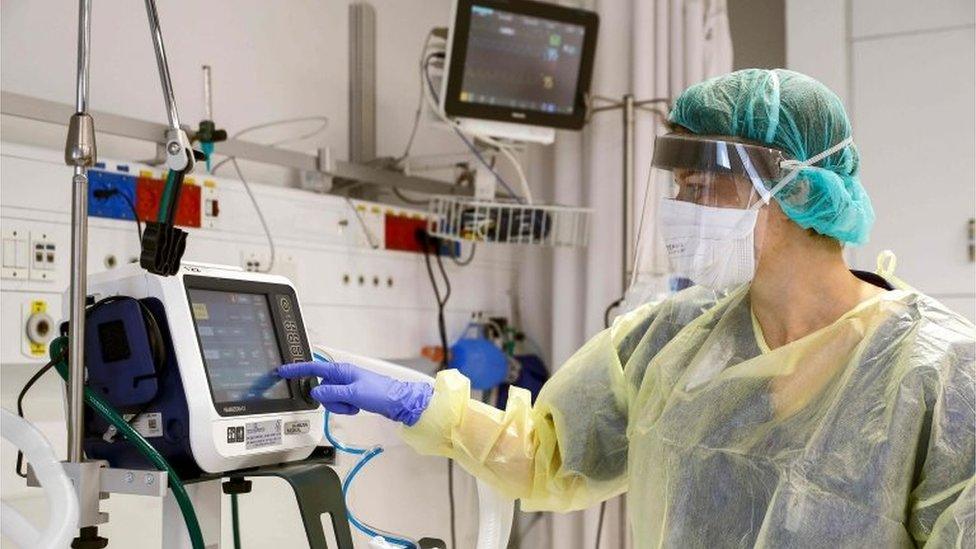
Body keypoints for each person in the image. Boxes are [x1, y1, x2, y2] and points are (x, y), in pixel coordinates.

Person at [279, 69, 975, 547]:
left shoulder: (938, 375)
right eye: (678, 188)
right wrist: (422, 404)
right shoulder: (675, 339)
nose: (683, 211)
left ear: (794, 190)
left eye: (703, 188)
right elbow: (553, 457)